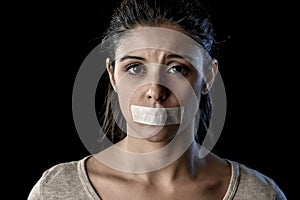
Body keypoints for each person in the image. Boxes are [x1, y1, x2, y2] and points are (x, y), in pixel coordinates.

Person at [28, 0, 287, 199]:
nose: (155, 90)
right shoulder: (57, 190)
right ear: (113, 75)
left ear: (208, 77)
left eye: (177, 68)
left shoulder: (258, 193)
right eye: (134, 68)